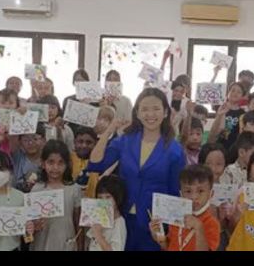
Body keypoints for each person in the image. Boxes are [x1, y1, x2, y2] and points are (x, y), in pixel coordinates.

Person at [88, 88, 186, 251]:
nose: (150, 114)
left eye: (156, 108)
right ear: (137, 113)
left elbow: (175, 192)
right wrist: (109, 130)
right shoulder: (125, 141)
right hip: (121, 218)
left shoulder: (175, 151)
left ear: (166, 112)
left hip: (153, 225)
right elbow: (96, 163)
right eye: (145, 109)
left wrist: (167, 233)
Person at [149, 164, 220, 251]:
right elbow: (170, 246)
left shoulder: (212, 223)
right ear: (181, 194)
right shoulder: (176, 217)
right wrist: (161, 240)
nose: (194, 197)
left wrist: (199, 228)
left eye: (200, 191)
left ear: (211, 194)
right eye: (188, 191)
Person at [29, 140, 82, 251]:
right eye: (51, 162)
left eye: (60, 163)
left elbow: (78, 223)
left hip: (66, 244)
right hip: (42, 245)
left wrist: (80, 246)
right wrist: (34, 227)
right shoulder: (36, 190)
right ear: (43, 164)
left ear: (67, 164)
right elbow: (29, 226)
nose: (55, 168)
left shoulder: (74, 189)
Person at [86, 175, 127, 251]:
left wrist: (98, 235)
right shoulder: (98, 218)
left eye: (108, 197)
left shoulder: (119, 223)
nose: (104, 202)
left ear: (118, 198)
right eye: (100, 198)